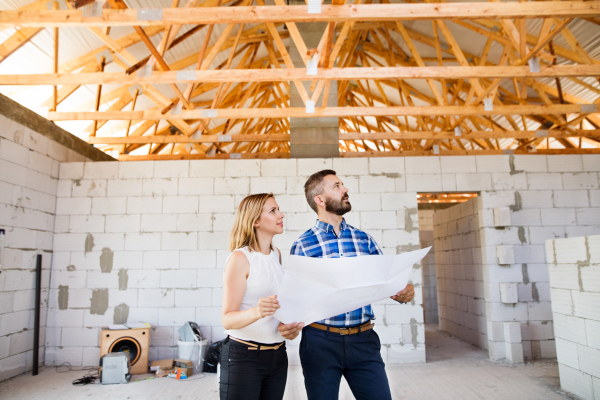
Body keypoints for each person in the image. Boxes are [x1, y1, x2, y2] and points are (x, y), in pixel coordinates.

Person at [286, 169, 416, 400]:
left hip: (363, 341)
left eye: (342, 185)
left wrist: (403, 292)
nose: (345, 189)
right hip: (320, 343)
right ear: (320, 200)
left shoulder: (364, 239)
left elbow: (389, 282)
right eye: (336, 186)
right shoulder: (302, 246)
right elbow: (295, 299)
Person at [220, 193, 304, 400]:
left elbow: (276, 310)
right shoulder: (240, 259)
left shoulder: (276, 254)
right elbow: (227, 319)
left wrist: (287, 329)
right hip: (243, 357)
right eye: (273, 211)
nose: (281, 214)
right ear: (255, 220)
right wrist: (257, 311)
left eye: (278, 209)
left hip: (277, 356)